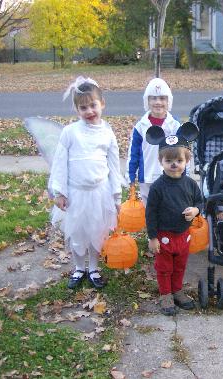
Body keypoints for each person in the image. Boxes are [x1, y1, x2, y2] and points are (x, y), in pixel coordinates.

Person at [49, 76, 122, 289]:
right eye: (83, 108)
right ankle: (79, 267)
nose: (89, 111)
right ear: (77, 110)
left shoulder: (107, 134)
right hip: (76, 194)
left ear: (102, 104)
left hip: (100, 193)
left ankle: (94, 268)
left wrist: (116, 195)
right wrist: (60, 192)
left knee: (97, 232)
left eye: (93, 105)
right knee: (78, 232)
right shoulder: (70, 133)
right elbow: (60, 163)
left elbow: (114, 166)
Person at [145, 122, 203, 316]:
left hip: (183, 236)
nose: (173, 164)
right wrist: (152, 238)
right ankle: (165, 294)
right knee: (164, 268)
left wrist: (195, 210)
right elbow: (150, 213)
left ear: (186, 161)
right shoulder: (157, 187)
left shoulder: (191, 185)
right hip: (163, 237)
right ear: (161, 161)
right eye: (168, 160)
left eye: (178, 160)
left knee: (180, 266)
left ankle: (177, 291)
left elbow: (200, 203)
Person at [127, 78, 181, 206]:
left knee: (169, 207)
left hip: (170, 175)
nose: (158, 102)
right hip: (147, 177)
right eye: (153, 98)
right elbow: (133, 154)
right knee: (150, 210)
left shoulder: (175, 125)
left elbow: (183, 151)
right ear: (147, 100)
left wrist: (184, 173)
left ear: (168, 101)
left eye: (162, 98)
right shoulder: (141, 126)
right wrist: (130, 176)